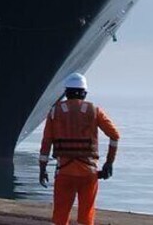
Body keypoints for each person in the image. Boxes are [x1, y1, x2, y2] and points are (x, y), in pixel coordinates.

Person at [39, 73, 119, 225]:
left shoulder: (55, 112)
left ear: (66, 92)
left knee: (60, 218)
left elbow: (46, 143)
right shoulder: (95, 111)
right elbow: (115, 136)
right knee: (86, 218)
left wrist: (42, 168)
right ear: (84, 93)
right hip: (89, 173)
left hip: (64, 172)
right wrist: (109, 163)